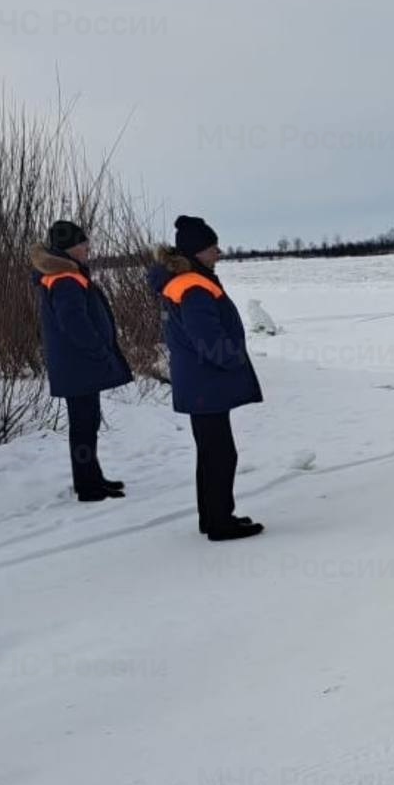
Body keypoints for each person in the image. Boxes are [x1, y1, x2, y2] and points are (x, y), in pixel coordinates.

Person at [149, 215, 264, 541]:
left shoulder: (185, 280)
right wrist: (233, 358)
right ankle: (219, 522)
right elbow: (208, 338)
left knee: (211, 452)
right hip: (206, 382)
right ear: (198, 251)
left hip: (199, 381)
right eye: (213, 247)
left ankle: (213, 517)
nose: (219, 252)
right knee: (220, 454)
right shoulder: (194, 286)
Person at [30, 221, 134, 501]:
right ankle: (88, 486)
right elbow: (73, 322)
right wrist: (99, 349)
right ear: (69, 248)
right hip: (79, 364)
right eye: (82, 244)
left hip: (78, 365)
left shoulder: (65, 274)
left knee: (87, 424)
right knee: (84, 426)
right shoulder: (65, 278)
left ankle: (91, 478)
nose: (88, 248)